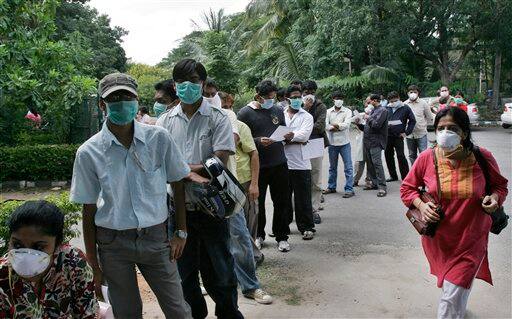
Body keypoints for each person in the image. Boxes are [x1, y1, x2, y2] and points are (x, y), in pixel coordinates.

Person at [70, 72, 193, 319]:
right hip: (113, 244)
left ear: (137, 101)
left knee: (177, 309)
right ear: (102, 104)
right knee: (126, 312)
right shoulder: (89, 152)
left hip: (156, 239)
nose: (122, 102)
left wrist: (181, 231)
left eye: (127, 96)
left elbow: (178, 182)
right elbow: (88, 207)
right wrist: (93, 262)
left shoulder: (158, 138)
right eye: (114, 97)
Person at [400, 107, 508, 319]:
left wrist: (494, 199)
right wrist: (422, 206)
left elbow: (500, 186)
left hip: (472, 238)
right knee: (452, 288)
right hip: (439, 239)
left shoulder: (482, 157)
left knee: (453, 291)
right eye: (441, 128)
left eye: (452, 128)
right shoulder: (426, 158)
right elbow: (407, 189)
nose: (445, 132)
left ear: (464, 133)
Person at [156, 59, 243, 319]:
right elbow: (161, 163)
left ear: (202, 84)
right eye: (181, 82)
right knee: (184, 274)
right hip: (177, 208)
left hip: (212, 208)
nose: (187, 87)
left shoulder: (218, 118)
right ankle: (195, 314)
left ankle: (228, 313)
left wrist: (180, 170)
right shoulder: (165, 121)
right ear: (175, 85)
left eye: (193, 81)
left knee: (220, 271)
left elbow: (219, 163)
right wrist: (190, 171)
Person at [216, 91, 273, 305]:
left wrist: (255, 184)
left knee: (241, 234)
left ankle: (250, 285)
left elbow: (253, 154)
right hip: (210, 189)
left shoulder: (236, 123)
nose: (218, 103)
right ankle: (222, 279)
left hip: (237, 186)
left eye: (217, 97)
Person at [0, 200, 98, 318]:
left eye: (39, 247)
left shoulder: (74, 262)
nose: (26, 257)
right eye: (17, 245)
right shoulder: (3, 276)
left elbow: (87, 313)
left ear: (58, 245)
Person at [237, 79, 292, 253]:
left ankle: (282, 236)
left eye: (273, 97)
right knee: (257, 203)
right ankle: (259, 235)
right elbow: (239, 140)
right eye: (268, 97)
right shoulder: (245, 113)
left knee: (281, 201)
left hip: (279, 162)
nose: (271, 100)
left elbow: (282, 130)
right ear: (258, 96)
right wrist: (258, 141)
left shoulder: (277, 110)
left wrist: (287, 135)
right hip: (258, 166)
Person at [219, 92, 264, 264]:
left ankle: (253, 257)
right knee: (234, 227)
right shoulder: (213, 127)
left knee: (248, 223)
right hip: (226, 184)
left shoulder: (241, 127)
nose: (225, 111)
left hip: (244, 182)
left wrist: (254, 184)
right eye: (221, 108)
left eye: (227, 107)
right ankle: (244, 258)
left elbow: (254, 155)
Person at [283, 85, 316, 240]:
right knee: (282, 196)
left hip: (301, 163)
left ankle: (307, 227)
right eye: (294, 96)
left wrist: (290, 137)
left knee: (302, 197)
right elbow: (276, 135)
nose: (297, 99)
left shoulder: (306, 116)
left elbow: (304, 136)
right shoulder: (280, 114)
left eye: (299, 96)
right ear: (287, 98)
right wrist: (291, 138)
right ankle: (283, 226)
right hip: (282, 162)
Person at [301, 80, 327, 215]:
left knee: (316, 178)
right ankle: (299, 209)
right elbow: (294, 125)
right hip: (299, 145)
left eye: (312, 92)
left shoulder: (321, 106)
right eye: (306, 93)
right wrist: (305, 109)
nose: (309, 95)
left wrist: (303, 129)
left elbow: (320, 126)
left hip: (316, 143)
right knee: (300, 177)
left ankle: (314, 209)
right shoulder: (297, 106)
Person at [354, 94, 388, 197]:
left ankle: (382, 187)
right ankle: (374, 183)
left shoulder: (383, 111)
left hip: (376, 142)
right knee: (370, 165)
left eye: (369, 102)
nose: (368, 104)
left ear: (375, 101)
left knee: (377, 164)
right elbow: (367, 128)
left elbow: (376, 125)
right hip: (367, 141)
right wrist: (358, 124)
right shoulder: (372, 111)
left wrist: (368, 118)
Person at [324, 91, 355, 198]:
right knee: (332, 167)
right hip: (332, 143)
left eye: (341, 98)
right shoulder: (328, 111)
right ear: (333, 99)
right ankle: (331, 186)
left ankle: (349, 189)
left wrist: (334, 126)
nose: (339, 100)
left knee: (348, 167)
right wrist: (337, 127)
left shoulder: (347, 111)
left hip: (345, 143)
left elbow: (346, 125)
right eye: (337, 98)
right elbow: (325, 126)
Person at [384, 91, 416, 182]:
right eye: (391, 101)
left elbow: (412, 121)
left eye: (395, 100)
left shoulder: (405, 108)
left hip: (399, 136)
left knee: (401, 156)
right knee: (388, 155)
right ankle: (393, 176)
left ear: (399, 98)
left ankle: (405, 177)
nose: (393, 103)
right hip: (388, 136)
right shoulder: (387, 108)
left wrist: (406, 132)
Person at [404, 85, 433, 165]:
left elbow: (429, 116)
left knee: (423, 154)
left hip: (421, 133)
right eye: (411, 92)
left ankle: (424, 172)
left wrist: (424, 126)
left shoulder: (423, 103)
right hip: (409, 134)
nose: (413, 93)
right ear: (408, 93)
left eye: (415, 92)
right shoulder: (404, 104)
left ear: (418, 93)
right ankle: (415, 172)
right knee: (411, 155)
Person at [353, 96, 372, 187]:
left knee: (371, 161)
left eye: (371, 102)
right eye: (367, 103)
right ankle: (355, 179)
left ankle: (369, 179)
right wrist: (357, 123)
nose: (369, 105)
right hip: (361, 140)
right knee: (359, 160)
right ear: (365, 104)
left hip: (372, 141)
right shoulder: (361, 114)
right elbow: (358, 128)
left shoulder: (378, 114)